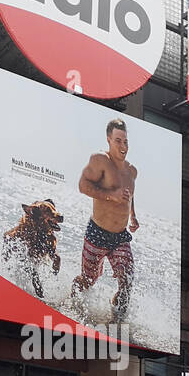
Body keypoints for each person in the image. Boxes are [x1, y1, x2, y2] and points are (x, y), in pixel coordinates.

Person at [69, 119, 140, 323]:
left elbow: (129, 195)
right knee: (89, 279)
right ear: (109, 140)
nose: (123, 146)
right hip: (97, 233)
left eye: (125, 141)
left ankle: (116, 321)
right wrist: (111, 195)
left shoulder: (132, 171)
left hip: (120, 237)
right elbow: (83, 186)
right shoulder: (100, 160)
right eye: (118, 141)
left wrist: (133, 216)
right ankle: (72, 301)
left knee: (127, 279)